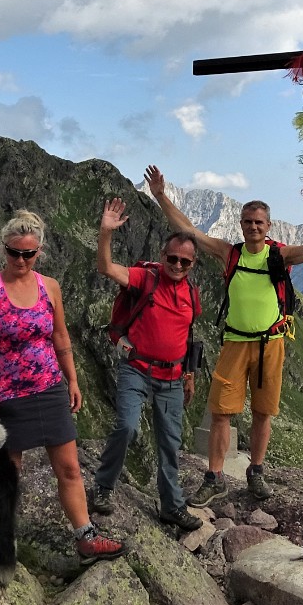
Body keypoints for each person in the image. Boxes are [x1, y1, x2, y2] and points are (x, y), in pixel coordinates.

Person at [144, 166, 303, 505]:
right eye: (248, 222)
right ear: (241, 224)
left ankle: (256, 472)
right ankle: (215, 476)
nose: (253, 227)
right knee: (222, 412)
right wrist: (161, 196)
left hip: (271, 343)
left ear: (268, 226)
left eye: (259, 222)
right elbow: (187, 229)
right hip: (235, 342)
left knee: (263, 413)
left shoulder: (279, 254)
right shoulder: (230, 253)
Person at [0, 209, 126, 565]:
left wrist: (72, 379)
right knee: (9, 472)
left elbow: (60, 337)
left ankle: (86, 537)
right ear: (4, 249)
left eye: (29, 253)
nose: (21, 260)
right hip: (7, 396)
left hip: (49, 388)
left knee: (70, 469)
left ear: (39, 251)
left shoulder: (50, 287)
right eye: (14, 252)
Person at [91, 198, 204, 531]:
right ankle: (103, 486)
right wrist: (105, 233)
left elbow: (186, 335)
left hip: (172, 377)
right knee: (127, 426)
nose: (178, 265)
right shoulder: (145, 278)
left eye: (185, 261)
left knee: (170, 445)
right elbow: (106, 268)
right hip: (137, 368)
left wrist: (189, 374)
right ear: (162, 256)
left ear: (193, 263)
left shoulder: (192, 295)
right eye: (172, 258)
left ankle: (172, 507)